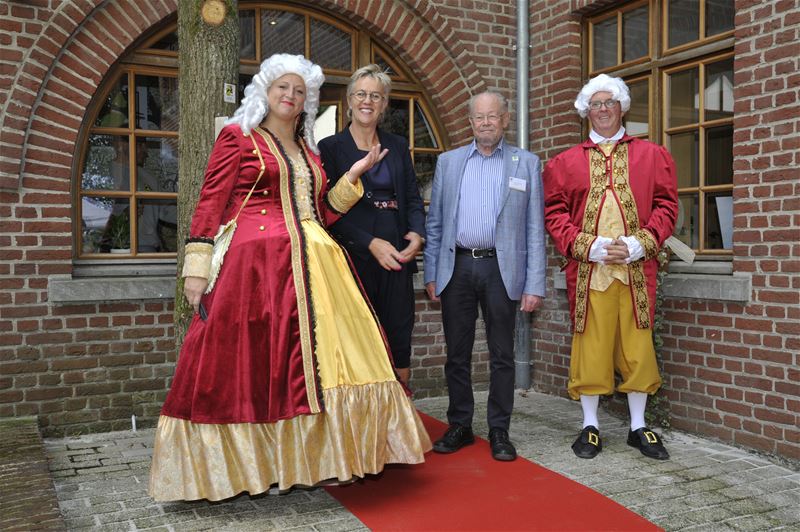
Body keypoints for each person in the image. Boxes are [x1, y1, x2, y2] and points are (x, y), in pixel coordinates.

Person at [148, 54, 431, 502]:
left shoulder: (309, 151)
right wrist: (196, 268)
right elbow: (210, 202)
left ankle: (318, 459)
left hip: (318, 268)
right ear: (265, 90)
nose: (291, 96)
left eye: (299, 91)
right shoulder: (238, 138)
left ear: (307, 102)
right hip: (256, 271)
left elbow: (321, 212)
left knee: (329, 366)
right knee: (258, 369)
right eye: (283, 87)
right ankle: (250, 467)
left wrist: (353, 176)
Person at [542, 74, 678, 461]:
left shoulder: (653, 155)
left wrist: (640, 244)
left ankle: (638, 426)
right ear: (586, 111)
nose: (603, 110)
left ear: (622, 108)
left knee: (637, 347)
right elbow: (554, 214)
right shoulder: (564, 163)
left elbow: (668, 206)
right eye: (596, 104)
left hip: (636, 271)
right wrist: (589, 246)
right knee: (591, 348)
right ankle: (590, 425)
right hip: (590, 273)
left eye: (610, 103)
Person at [423, 90, 546, 462]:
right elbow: (436, 223)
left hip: (501, 269)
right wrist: (432, 272)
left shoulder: (525, 163)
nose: (486, 123)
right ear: (470, 122)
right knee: (456, 353)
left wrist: (534, 283)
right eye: (479, 117)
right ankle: (460, 424)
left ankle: (499, 429)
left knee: (502, 354)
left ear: (505, 119)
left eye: (493, 116)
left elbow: (534, 228)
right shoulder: (449, 162)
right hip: (457, 267)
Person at [318, 64, 426, 385]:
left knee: (399, 337)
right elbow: (327, 211)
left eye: (376, 96)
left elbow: (412, 198)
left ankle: (399, 414)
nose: (368, 101)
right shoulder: (330, 149)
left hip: (397, 257)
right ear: (350, 101)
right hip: (354, 259)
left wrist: (417, 234)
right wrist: (369, 242)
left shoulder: (397, 146)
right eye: (361, 94)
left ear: (384, 104)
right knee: (358, 339)